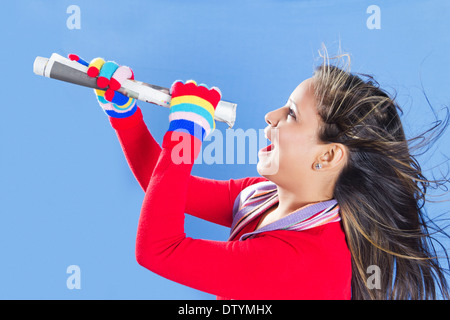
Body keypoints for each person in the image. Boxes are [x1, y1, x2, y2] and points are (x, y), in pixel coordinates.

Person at [70, 47, 449, 300]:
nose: (271, 118)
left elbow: (158, 251)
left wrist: (184, 136)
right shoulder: (265, 195)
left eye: (291, 114)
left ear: (329, 155)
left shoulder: (307, 259)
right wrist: (125, 115)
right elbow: (168, 190)